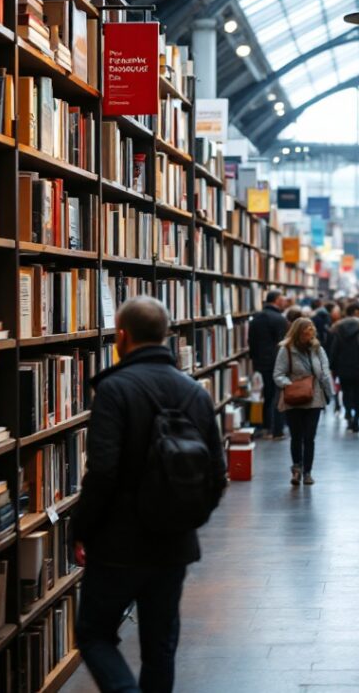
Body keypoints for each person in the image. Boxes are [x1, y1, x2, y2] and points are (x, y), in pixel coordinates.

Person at [73, 296, 227, 693]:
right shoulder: (195, 392)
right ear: (167, 335)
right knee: (161, 646)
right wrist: (188, 516)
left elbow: (102, 471)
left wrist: (82, 530)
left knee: (94, 634)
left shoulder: (114, 389)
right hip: (174, 543)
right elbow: (217, 474)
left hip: (118, 543)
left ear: (121, 336)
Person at [273, 318, 335, 486]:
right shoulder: (286, 350)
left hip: (314, 398)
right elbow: (278, 374)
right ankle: (296, 468)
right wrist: (291, 385)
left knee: (309, 437)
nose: (308, 336)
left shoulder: (317, 349)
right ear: (297, 333)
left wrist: (330, 394)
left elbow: (324, 372)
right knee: (296, 436)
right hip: (293, 398)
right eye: (305, 333)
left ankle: (308, 472)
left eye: (311, 333)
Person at [248, 291, 288, 439]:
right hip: (275, 363)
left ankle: (262, 426)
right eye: (283, 300)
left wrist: (254, 360)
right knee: (276, 396)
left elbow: (251, 342)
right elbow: (282, 344)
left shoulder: (256, 318)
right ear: (277, 300)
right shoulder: (279, 319)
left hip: (259, 363)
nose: (285, 303)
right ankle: (276, 430)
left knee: (261, 394)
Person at [329, 303, 359, 433]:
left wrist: (333, 367)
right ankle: (356, 420)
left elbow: (334, 349)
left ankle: (348, 413)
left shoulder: (338, 328)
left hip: (343, 367)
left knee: (346, 391)